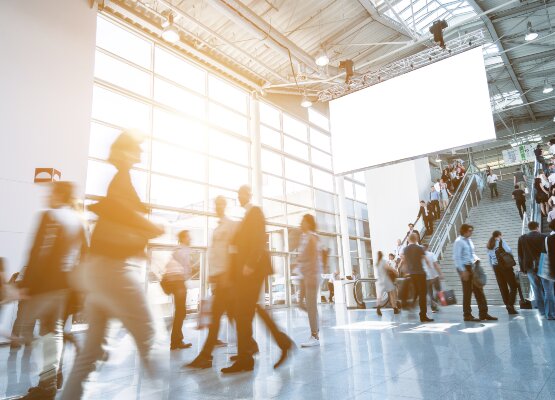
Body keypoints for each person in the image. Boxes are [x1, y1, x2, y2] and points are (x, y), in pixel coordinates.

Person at [61, 131, 165, 400]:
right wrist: (151, 226)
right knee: (149, 336)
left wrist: (140, 241)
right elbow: (121, 212)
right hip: (111, 271)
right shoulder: (122, 180)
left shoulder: (119, 181)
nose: (141, 154)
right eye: (137, 149)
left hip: (95, 274)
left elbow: (117, 218)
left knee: (90, 353)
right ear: (126, 152)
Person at [16, 182, 87, 400]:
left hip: (44, 287)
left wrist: (26, 285)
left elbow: (39, 252)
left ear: (59, 195)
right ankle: (48, 382)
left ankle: (47, 383)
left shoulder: (50, 216)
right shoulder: (79, 221)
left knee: (25, 330)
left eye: (51, 192)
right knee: (51, 333)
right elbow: (85, 257)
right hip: (63, 289)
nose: (47, 196)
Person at [221, 185, 293, 373]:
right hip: (247, 272)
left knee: (243, 312)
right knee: (247, 311)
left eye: (241, 193)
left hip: (252, 271)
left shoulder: (255, 212)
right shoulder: (246, 215)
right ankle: (275, 344)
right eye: (237, 194)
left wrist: (250, 264)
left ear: (249, 194)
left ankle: (247, 357)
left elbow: (259, 239)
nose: (239, 196)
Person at [187, 196, 237, 369]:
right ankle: (250, 345)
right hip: (218, 278)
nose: (218, 207)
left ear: (225, 206)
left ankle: (206, 356)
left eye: (221, 204)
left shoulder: (230, 226)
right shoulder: (218, 228)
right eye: (216, 205)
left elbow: (232, 251)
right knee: (232, 316)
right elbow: (215, 254)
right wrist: (212, 276)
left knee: (216, 318)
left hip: (225, 278)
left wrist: (226, 275)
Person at [453, 224, 497, 322]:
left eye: (472, 230)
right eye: (470, 230)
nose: (471, 232)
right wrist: (463, 271)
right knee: (467, 292)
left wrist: (476, 259)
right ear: (464, 231)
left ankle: (483, 314)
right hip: (464, 267)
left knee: (479, 290)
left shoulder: (469, 240)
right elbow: (457, 257)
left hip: (472, 266)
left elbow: (471, 253)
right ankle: (467, 315)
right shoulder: (458, 241)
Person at [294, 214, 322, 347]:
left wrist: (311, 275)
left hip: (311, 275)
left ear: (309, 224)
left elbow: (314, 258)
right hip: (304, 275)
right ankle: (316, 324)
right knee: (301, 303)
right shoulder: (304, 238)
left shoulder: (312, 237)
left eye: (303, 221)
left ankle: (314, 335)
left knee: (310, 305)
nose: (300, 223)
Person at [162, 230, 192, 350]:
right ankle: (175, 341)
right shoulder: (181, 251)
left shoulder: (179, 250)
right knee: (181, 312)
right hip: (178, 282)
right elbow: (182, 268)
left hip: (178, 282)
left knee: (180, 311)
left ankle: (177, 340)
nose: (191, 239)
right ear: (183, 238)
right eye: (189, 237)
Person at [519, 221, 553, 319]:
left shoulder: (522, 238)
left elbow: (520, 255)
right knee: (548, 290)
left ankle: (542, 312)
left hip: (529, 267)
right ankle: (550, 313)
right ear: (538, 227)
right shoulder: (545, 237)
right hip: (544, 265)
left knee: (536, 289)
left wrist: (523, 269)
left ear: (529, 228)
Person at [398, 233, 434, 322]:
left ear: (409, 239)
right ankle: (423, 315)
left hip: (411, 274)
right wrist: (431, 269)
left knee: (415, 292)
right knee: (422, 294)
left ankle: (410, 304)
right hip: (420, 274)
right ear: (416, 239)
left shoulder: (405, 249)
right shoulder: (419, 248)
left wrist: (405, 271)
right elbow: (425, 259)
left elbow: (404, 261)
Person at [486, 231, 518, 315]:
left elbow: (489, 259)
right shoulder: (500, 241)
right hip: (505, 267)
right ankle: (510, 304)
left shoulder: (489, 244)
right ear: (499, 235)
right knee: (513, 286)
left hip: (496, 268)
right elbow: (509, 250)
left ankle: (508, 306)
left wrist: (494, 268)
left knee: (503, 287)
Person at [375, 252, 399, 316]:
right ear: (382, 255)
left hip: (379, 280)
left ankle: (378, 308)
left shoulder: (377, 263)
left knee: (379, 296)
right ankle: (395, 308)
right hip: (386, 280)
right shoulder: (383, 261)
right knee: (392, 294)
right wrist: (395, 272)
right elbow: (389, 268)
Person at [422, 244, 443, 313]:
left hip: (426, 277)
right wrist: (440, 273)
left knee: (430, 293)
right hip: (434, 275)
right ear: (428, 247)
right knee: (439, 290)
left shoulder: (420, 257)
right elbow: (436, 265)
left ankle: (433, 307)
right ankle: (435, 303)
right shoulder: (431, 254)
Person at [543, 220, 555, 319]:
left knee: (549, 292)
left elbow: (547, 253)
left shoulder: (548, 238)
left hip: (551, 268)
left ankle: (550, 314)